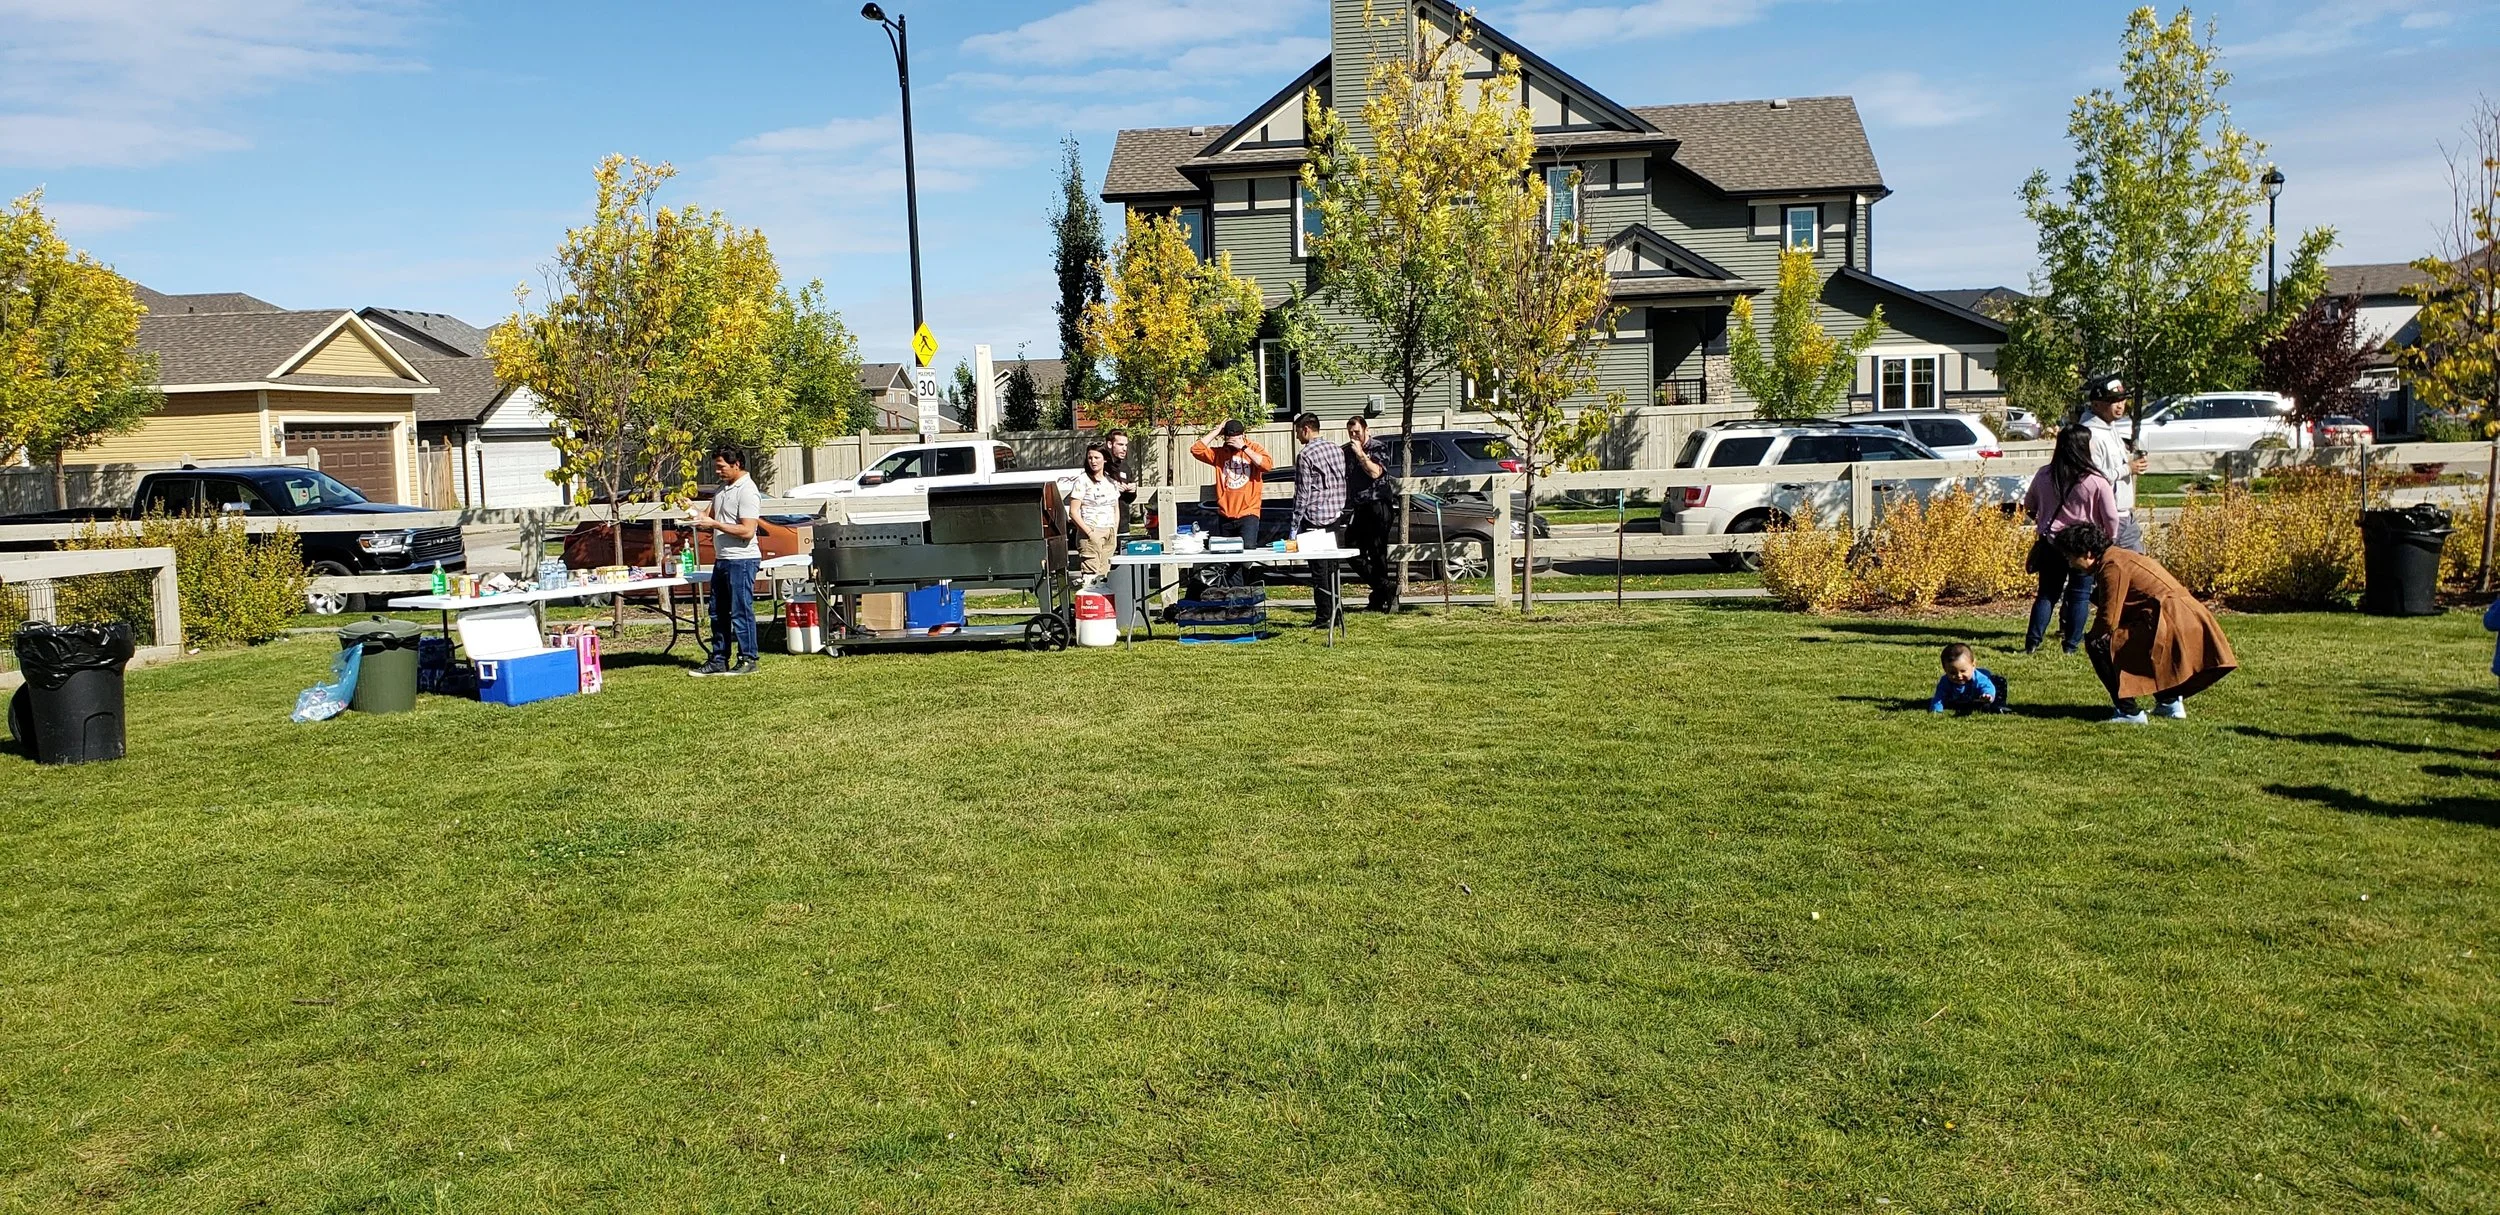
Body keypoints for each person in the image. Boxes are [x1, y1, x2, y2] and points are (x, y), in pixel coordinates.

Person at [2056, 522, 2238, 724]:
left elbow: (2108, 619)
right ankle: (2169, 703)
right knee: (2140, 642)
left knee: (2098, 644)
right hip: (2185, 616)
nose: (2069, 562)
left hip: (2169, 620)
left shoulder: (2112, 566)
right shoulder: (2120, 556)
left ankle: (2129, 712)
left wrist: (2094, 637)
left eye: (2070, 556)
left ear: (2088, 554)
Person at [2022, 425, 2121, 654]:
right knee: (2079, 595)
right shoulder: (2096, 481)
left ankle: (2033, 643)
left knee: (2047, 594)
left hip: (2051, 542)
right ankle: (2070, 646)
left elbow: (2029, 505)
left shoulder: (2045, 474)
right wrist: (2109, 539)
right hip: (2082, 546)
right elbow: (2111, 516)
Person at [688, 444, 762, 677]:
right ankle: (719, 659)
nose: (717, 471)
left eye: (721, 467)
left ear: (736, 464)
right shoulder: (722, 489)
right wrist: (690, 509)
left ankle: (748, 659)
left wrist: (715, 525)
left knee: (740, 610)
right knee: (717, 611)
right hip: (723, 560)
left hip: (742, 560)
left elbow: (748, 530)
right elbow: (706, 516)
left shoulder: (747, 491)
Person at [1190, 419, 1271, 583]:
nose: (1231, 443)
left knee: (1246, 558)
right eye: (1228, 439)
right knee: (1227, 559)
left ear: (1243, 435)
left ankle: (1244, 595)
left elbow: (1267, 465)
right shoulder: (1220, 453)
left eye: (1235, 438)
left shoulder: (1253, 448)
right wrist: (1216, 431)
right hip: (1225, 515)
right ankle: (1235, 598)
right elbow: (1196, 449)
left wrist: (1243, 447)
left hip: (1248, 514)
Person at [1290, 412, 1348, 628]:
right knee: (1333, 568)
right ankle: (1337, 611)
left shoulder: (1306, 455)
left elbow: (1303, 493)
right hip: (1335, 515)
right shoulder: (1337, 450)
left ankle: (1324, 616)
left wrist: (1294, 525)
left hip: (1314, 517)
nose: (1297, 437)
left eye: (1297, 432)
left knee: (1319, 571)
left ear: (1306, 429)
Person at [2080, 374, 2149, 552]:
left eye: (2122, 399)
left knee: (2137, 570)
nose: (2120, 405)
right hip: (2105, 518)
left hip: (2125, 515)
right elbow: (2094, 479)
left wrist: (2131, 463)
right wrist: (2127, 468)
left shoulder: (2111, 427)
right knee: (2115, 571)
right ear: (2096, 404)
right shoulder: (2090, 434)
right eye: (2113, 400)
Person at [1343, 416, 1396, 612]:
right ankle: (1385, 587)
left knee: (1377, 552)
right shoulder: (1347, 451)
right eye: (1350, 433)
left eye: (1356, 432)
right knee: (1352, 549)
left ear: (1366, 430)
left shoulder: (1378, 448)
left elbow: (1375, 473)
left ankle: (1378, 600)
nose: (1354, 436)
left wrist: (1361, 455)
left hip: (1378, 504)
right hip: (1359, 506)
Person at [1066, 443, 1123, 578]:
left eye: (1097, 458)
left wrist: (1114, 529)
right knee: (1091, 577)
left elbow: (1115, 507)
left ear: (1105, 459)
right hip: (1090, 530)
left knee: (1104, 576)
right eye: (1090, 458)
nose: (1093, 461)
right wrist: (1090, 533)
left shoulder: (1111, 481)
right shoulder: (1082, 481)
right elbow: (1073, 512)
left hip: (1109, 531)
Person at [1931, 642, 2009, 714]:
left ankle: (1998, 704)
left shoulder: (1979, 678)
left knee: (2000, 682)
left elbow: (1987, 686)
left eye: (1963, 671)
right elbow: (1939, 697)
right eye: (1952, 673)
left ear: (1973, 665)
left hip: (1981, 695)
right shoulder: (1945, 682)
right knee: (1953, 703)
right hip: (1961, 700)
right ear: (1945, 669)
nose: (1959, 675)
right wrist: (1937, 710)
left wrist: (1988, 695)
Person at [1102, 430, 1137, 534]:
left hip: (1123, 525)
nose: (1124, 448)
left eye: (1126, 445)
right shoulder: (1100, 466)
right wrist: (1111, 488)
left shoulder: (1125, 467)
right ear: (1109, 444)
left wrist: (1132, 491)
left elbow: (1129, 500)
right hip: (1104, 525)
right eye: (1120, 445)